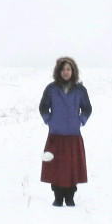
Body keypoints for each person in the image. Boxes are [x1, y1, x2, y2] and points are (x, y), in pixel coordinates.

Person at [39, 56, 92, 206]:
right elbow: (43, 106)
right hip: (56, 134)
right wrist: (50, 120)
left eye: (68, 69)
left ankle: (70, 197)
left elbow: (87, 108)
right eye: (63, 69)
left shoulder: (80, 90)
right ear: (58, 71)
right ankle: (57, 197)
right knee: (55, 166)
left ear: (73, 71)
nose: (66, 72)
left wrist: (80, 120)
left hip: (73, 135)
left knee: (71, 166)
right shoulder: (52, 88)